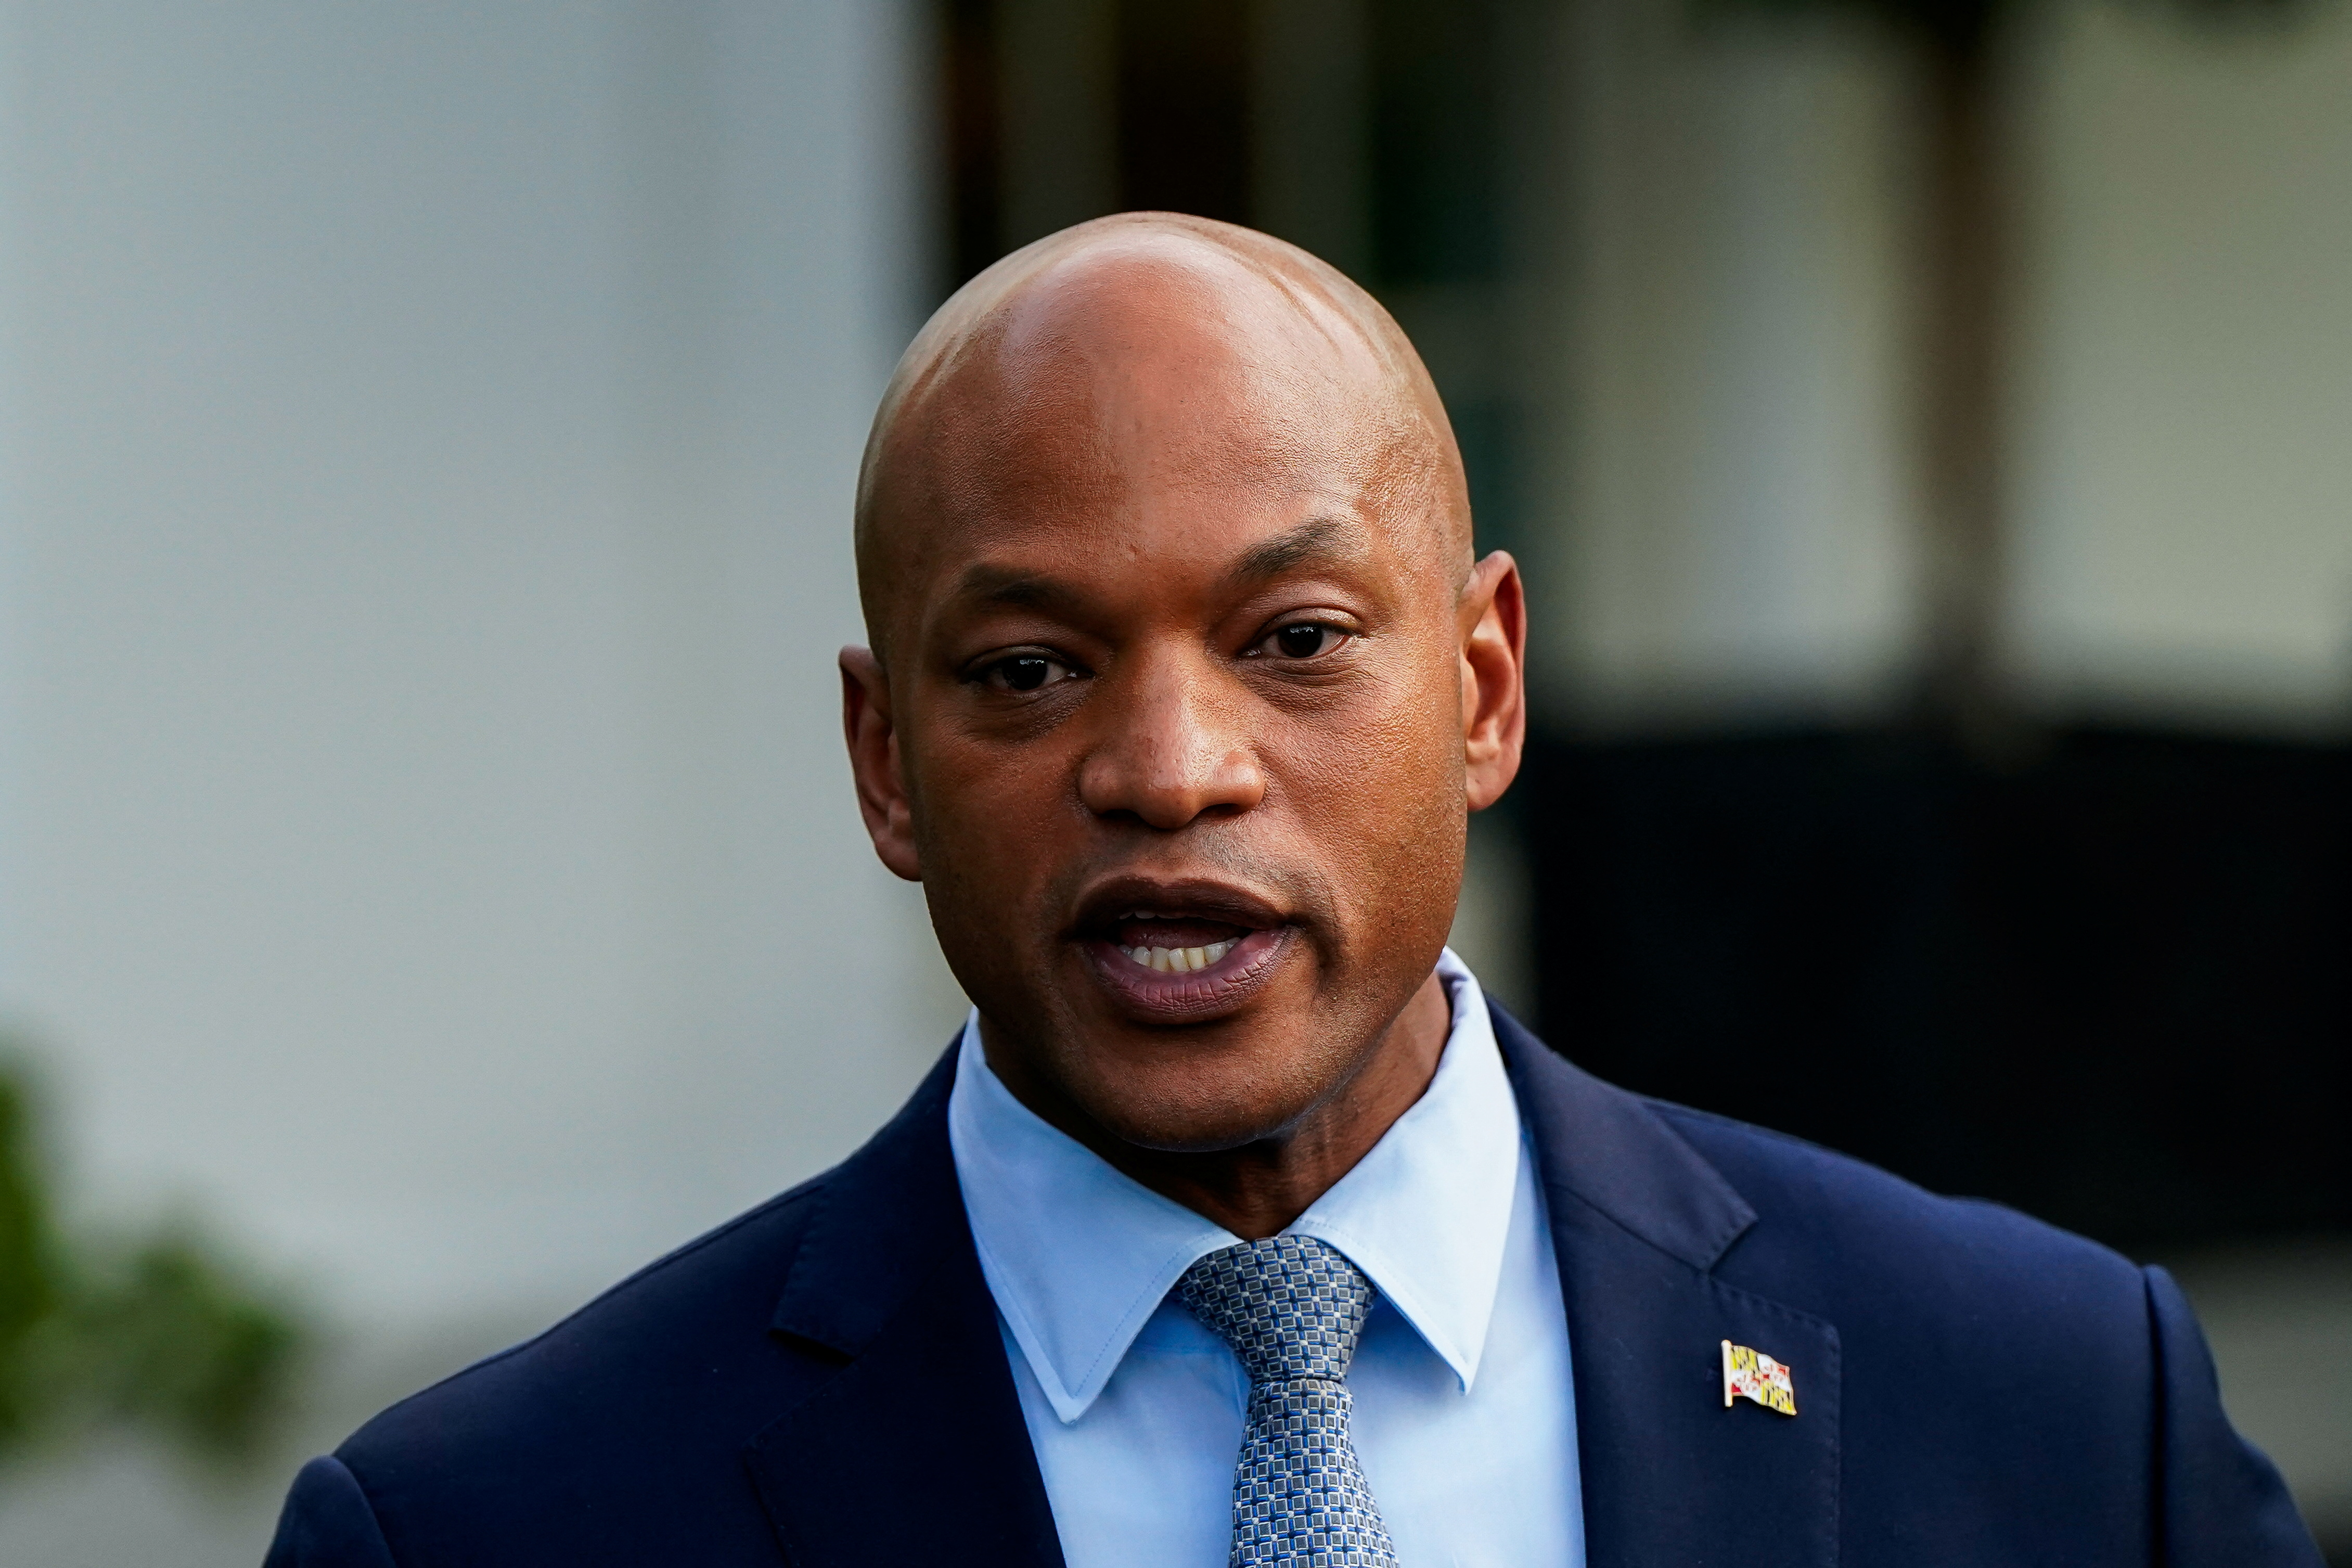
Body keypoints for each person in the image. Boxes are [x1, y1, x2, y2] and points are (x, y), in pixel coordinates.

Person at [262, 213, 2322, 1568]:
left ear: (1489, 688)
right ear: (886, 763)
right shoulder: (494, 1533)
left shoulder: (2054, 1413)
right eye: (1028, 669)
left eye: (1299, 637)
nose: (1170, 767)